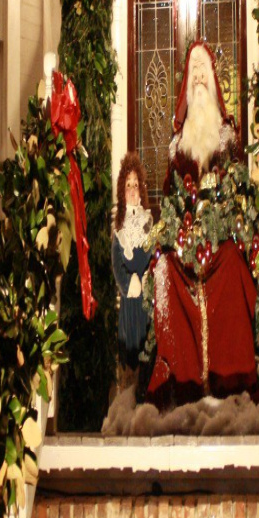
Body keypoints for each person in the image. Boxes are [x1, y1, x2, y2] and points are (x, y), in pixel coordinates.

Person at [146, 41, 259, 405]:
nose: (197, 78)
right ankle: (182, 381)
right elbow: (170, 204)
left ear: (212, 81)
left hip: (220, 239)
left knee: (231, 263)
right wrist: (175, 234)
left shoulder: (227, 137)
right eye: (192, 73)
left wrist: (223, 220)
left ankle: (230, 378)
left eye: (202, 73)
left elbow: (239, 192)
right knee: (164, 268)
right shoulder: (178, 147)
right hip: (185, 241)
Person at [112, 152, 151, 371]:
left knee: (148, 355)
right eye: (128, 185)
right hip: (129, 304)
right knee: (130, 360)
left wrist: (147, 278)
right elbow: (117, 265)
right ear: (122, 190)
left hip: (146, 301)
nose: (133, 189)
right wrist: (129, 284)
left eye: (136, 184)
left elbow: (154, 255)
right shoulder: (119, 228)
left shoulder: (148, 222)